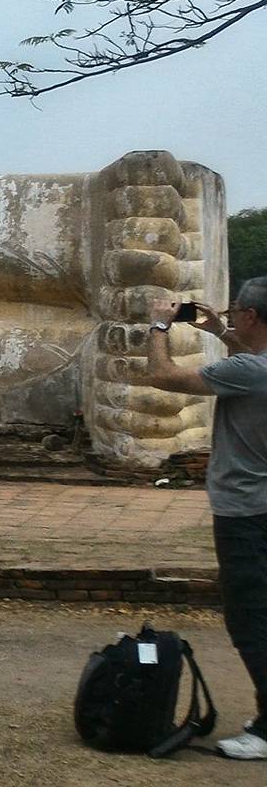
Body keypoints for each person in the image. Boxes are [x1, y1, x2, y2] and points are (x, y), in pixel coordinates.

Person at [147, 276, 267, 758]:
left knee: (250, 619)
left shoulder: (250, 371)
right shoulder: (253, 363)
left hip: (245, 510)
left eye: (237, 310)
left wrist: (159, 323)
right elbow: (243, 353)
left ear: (254, 317)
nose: (231, 313)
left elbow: (163, 376)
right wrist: (219, 329)